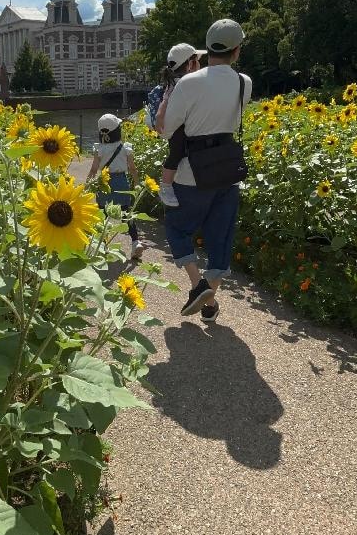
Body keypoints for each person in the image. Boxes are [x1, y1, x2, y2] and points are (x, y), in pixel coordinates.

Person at [160, 19, 252, 321]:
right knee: (220, 236)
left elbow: (167, 130)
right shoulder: (244, 83)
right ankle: (209, 303)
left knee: (176, 226)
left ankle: (198, 285)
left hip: (192, 172)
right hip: (227, 169)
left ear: (208, 47)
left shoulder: (189, 82)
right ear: (236, 51)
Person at [151, 43, 206, 208]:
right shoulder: (185, 84)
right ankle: (165, 186)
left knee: (176, 153)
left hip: (178, 128)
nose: (200, 65)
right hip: (179, 129)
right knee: (176, 154)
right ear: (190, 64)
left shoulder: (174, 83)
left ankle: (166, 186)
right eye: (197, 61)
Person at [86, 113, 144, 261]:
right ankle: (135, 242)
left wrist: (87, 184)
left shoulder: (99, 148)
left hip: (103, 183)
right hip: (122, 182)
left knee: (102, 215)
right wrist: (136, 183)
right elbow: (132, 168)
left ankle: (103, 246)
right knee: (126, 213)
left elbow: (93, 169)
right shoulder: (125, 147)